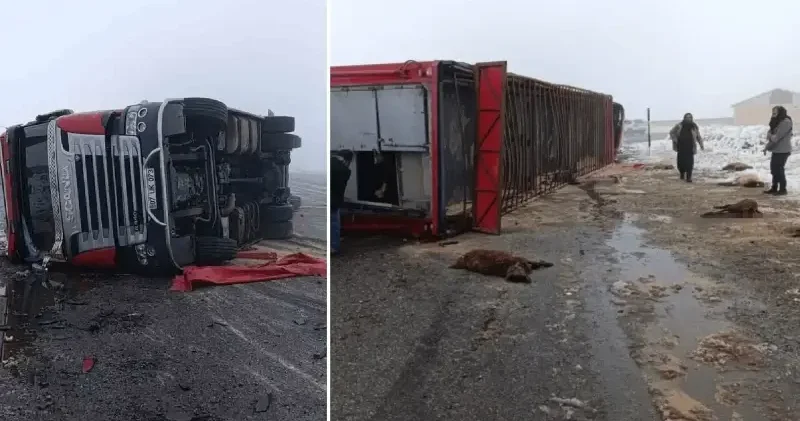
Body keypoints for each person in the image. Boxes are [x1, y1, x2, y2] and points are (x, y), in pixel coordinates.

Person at [763, 105, 793, 195]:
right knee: (773, 170)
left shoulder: (786, 122)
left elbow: (776, 138)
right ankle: (774, 187)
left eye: (775, 113)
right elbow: (771, 134)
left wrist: (770, 136)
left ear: (780, 112)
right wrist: (766, 147)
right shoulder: (776, 122)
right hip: (776, 150)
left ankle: (783, 189)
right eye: (772, 113)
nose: (773, 115)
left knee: (779, 170)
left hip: (783, 150)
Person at [330, 150, 354, 255]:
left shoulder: (332, 164)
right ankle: (334, 246)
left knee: (333, 223)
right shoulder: (345, 171)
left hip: (332, 200)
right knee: (334, 223)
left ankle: (334, 245)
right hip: (335, 201)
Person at [669, 113, 704, 182]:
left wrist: (701, 145)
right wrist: (676, 140)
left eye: (690, 117)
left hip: (690, 147)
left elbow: (698, 137)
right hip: (681, 146)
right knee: (681, 162)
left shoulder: (694, 126)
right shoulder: (679, 125)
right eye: (687, 117)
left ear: (692, 118)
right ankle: (682, 173)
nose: (688, 119)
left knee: (690, 162)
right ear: (684, 118)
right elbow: (671, 132)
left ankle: (689, 177)